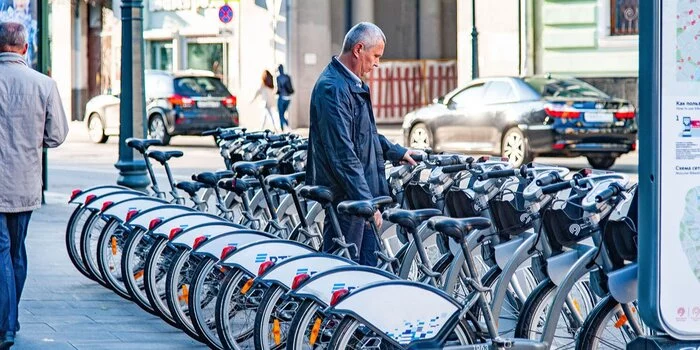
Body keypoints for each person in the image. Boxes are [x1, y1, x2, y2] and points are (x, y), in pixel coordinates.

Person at [307, 22, 416, 266]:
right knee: (342, 273)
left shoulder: (349, 83)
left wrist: (397, 151)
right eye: (375, 55)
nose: (377, 63)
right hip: (348, 198)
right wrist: (366, 202)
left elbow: (363, 135)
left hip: (356, 194)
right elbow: (343, 153)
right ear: (358, 49)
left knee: (367, 270)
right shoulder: (333, 88)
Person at [0, 22, 69, 349]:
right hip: (25, 183)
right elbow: (56, 136)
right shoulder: (44, 85)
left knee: (1, 253)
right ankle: (9, 320)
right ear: (25, 48)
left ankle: (7, 325)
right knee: (16, 252)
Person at [275, 64, 294, 131]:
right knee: (283, 114)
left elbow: (279, 89)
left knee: (281, 114)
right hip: (288, 98)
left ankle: (283, 128)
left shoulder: (278, 77)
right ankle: (285, 126)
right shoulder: (287, 77)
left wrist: (276, 92)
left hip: (282, 98)